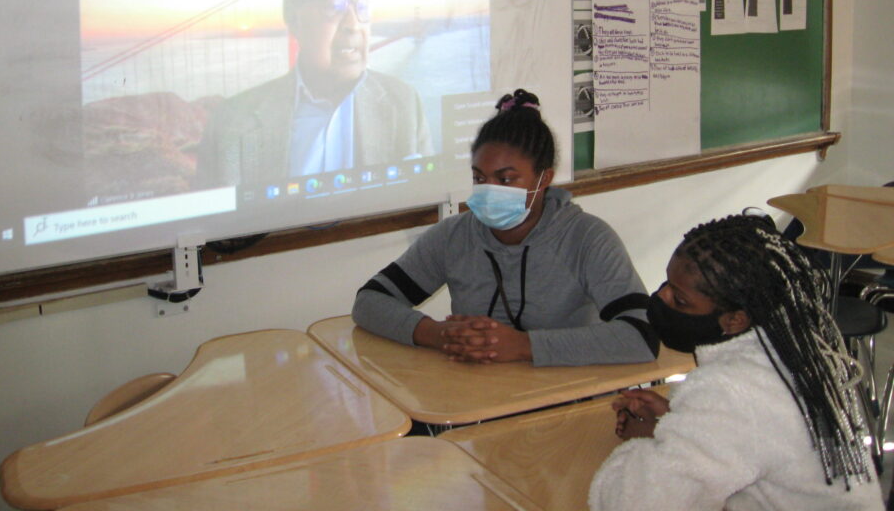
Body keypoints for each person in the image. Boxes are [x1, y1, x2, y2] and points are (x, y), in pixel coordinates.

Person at [588, 214, 883, 511]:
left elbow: (637, 502)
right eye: (667, 283)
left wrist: (643, 444)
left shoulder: (730, 390)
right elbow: (752, 439)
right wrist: (677, 424)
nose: (661, 296)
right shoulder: (794, 351)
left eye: (680, 300)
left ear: (734, 320)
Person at [351, 89, 658, 367]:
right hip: (478, 395)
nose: (489, 190)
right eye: (479, 178)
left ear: (544, 179)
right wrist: (438, 334)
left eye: (506, 179)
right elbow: (369, 301)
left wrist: (524, 346)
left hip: (567, 396)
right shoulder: (454, 236)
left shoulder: (587, 238)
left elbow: (642, 335)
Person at [195, 0, 432, 189]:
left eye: (361, 6)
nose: (354, 24)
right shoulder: (229, 124)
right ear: (292, 17)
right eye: (334, 6)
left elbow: (428, 204)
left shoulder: (405, 103)